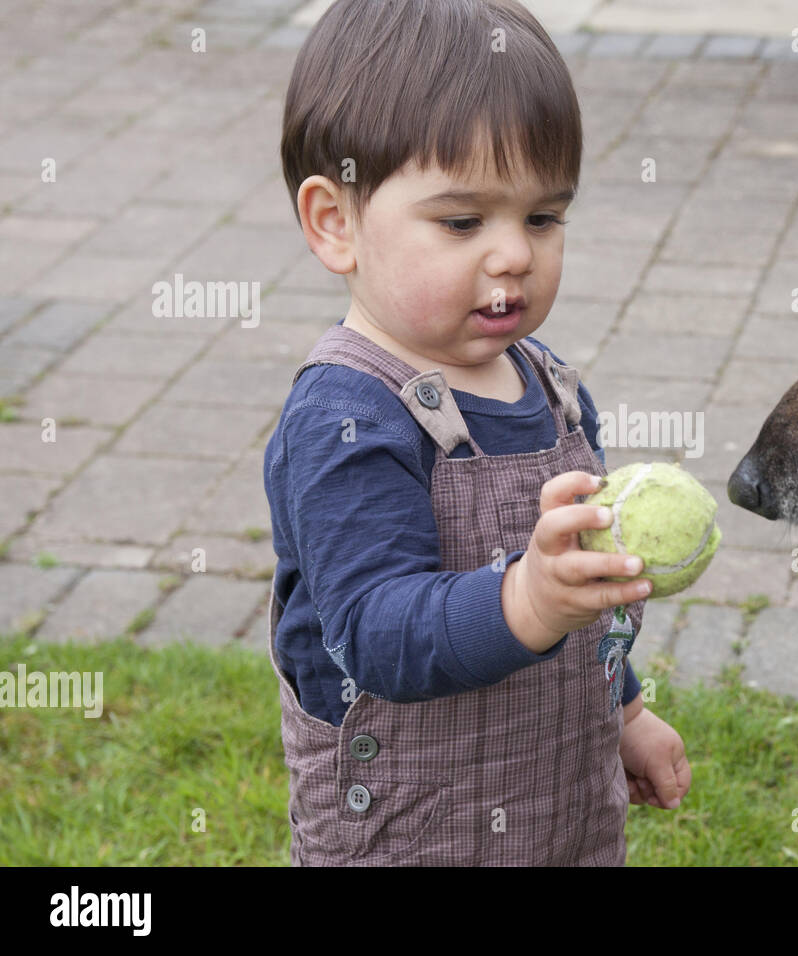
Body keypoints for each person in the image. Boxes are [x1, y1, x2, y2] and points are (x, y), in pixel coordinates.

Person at [263, 0, 690, 865]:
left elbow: (585, 601)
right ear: (334, 223)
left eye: (542, 217)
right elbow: (374, 632)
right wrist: (525, 598)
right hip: (410, 833)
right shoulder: (345, 417)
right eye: (463, 223)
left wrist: (627, 711)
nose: (514, 256)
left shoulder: (553, 388)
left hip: (563, 820)